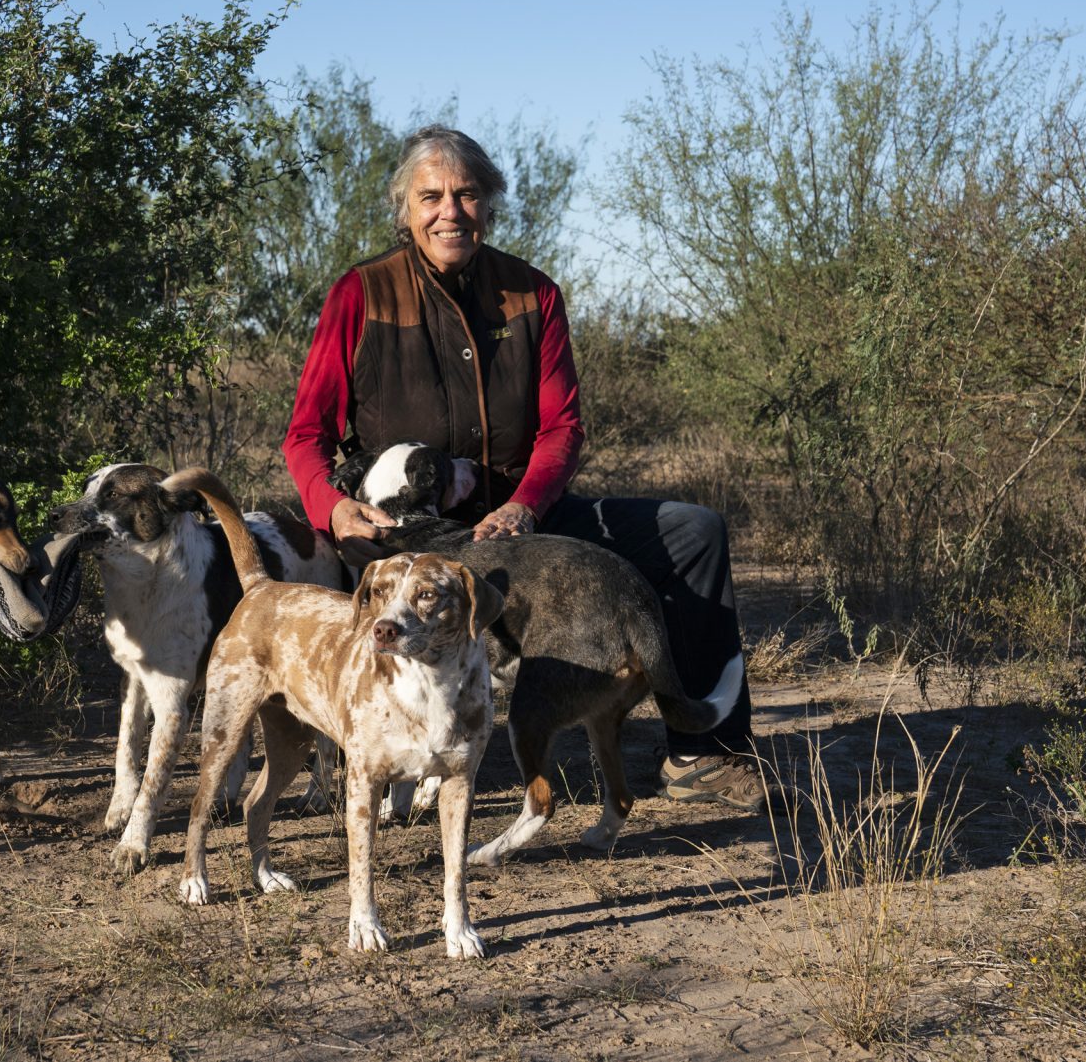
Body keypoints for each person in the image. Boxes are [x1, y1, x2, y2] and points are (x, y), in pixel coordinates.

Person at [281, 126, 765, 811]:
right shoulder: (360, 295)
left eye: (467, 194)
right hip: (407, 535)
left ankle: (704, 754)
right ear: (405, 210)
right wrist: (331, 507)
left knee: (696, 531)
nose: (450, 210)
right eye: (431, 196)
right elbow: (305, 435)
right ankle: (367, 758)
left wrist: (525, 504)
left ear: (490, 205)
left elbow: (562, 428)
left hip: (524, 515)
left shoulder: (534, 293)